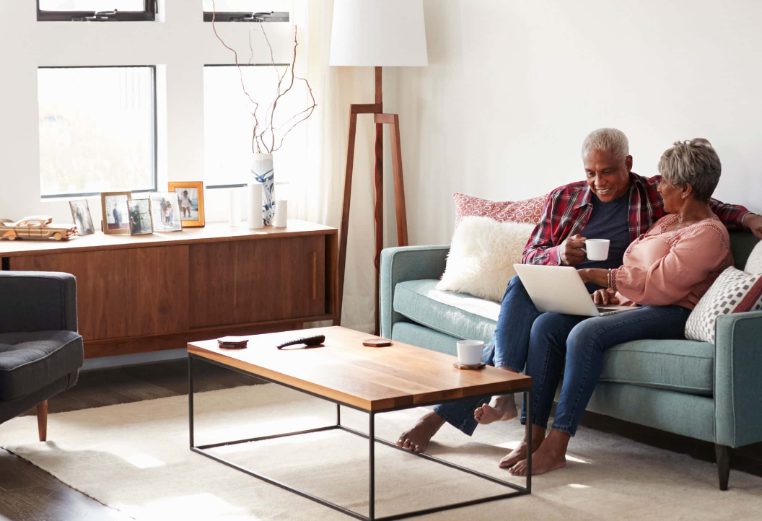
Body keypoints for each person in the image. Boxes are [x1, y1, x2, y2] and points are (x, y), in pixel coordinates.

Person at [396, 128, 762, 455]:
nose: (598, 182)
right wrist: (559, 254)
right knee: (520, 283)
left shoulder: (653, 194)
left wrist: (746, 218)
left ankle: (468, 411)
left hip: (613, 289)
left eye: (607, 172)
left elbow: (704, 203)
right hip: (573, 282)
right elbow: (530, 254)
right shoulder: (565, 198)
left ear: (628, 164)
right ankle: (506, 385)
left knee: (540, 329)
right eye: (590, 173)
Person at [507, 138, 732, 475]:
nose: (660, 189)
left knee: (585, 334)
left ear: (685, 189)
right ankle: (533, 432)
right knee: (548, 325)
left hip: (673, 313)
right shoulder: (669, 222)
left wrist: (599, 276)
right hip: (640, 305)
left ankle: (558, 443)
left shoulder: (709, 233)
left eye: (666, 182)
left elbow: (661, 284)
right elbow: (639, 272)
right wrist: (613, 295)